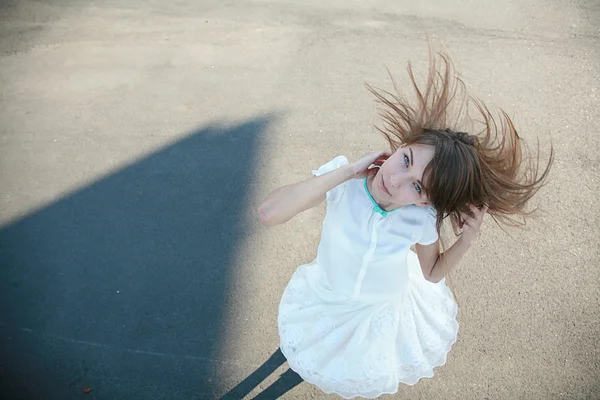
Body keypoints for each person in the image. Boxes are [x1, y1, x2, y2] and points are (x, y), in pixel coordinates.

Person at [257, 51, 552, 399]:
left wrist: (466, 240)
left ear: (426, 200)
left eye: (417, 185)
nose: (396, 180)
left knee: (347, 365)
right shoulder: (343, 182)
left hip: (381, 313)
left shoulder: (421, 217)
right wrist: (347, 171)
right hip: (328, 296)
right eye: (405, 160)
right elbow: (270, 213)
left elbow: (431, 273)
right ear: (399, 147)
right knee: (309, 346)